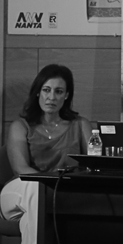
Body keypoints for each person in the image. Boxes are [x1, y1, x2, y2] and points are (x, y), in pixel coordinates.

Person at [1, 64, 92, 244]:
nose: (51, 97)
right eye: (46, 90)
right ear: (38, 93)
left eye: (59, 91)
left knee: (32, 217)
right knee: (37, 190)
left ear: (66, 95)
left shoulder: (81, 125)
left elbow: (94, 165)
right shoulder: (20, 126)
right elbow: (21, 170)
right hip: (19, 192)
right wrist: (52, 187)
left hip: (61, 195)